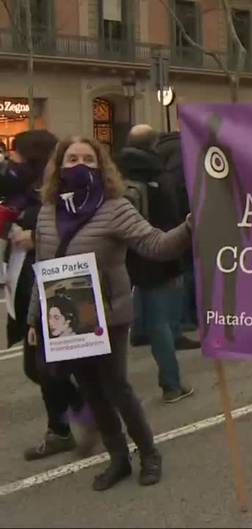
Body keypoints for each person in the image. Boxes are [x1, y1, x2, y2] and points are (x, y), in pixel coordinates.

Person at [27, 136, 192, 490]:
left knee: (117, 389)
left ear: (102, 166)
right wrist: (33, 319)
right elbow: (41, 265)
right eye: (72, 159)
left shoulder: (115, 207)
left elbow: (155, 245)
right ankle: (118, 458)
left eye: (89, 159)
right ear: (59, 165)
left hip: (109, 316)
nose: (80, 165)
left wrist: (189, 227)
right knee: (92, 392)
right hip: (68, 321)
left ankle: (149, 454)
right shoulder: (47, 211)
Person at [2, 130, 98, 461]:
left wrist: (36, 234)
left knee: (44, 364)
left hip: (51, 284)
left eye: (14, 154)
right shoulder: (22, 194)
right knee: (40, 366)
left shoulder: (59, 194)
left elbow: (84, 228)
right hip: (23, 280)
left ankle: (81, 414)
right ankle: (63, 426)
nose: (9, 160)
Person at [116, 125, 195, 403]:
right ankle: (171, 384)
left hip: (122, 255)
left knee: (118, 324)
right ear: (154, 144)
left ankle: (136, 337)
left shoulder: (115, 172)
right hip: (156, 252)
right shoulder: (158, 174)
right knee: (161, 322)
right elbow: (170, 217)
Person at [154, 131, 199, 332]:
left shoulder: (158, 152)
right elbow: (186, 188)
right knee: (188, 268)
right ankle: (186, 317)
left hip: (160, 219)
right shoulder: (184, 152)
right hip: (183, 218)